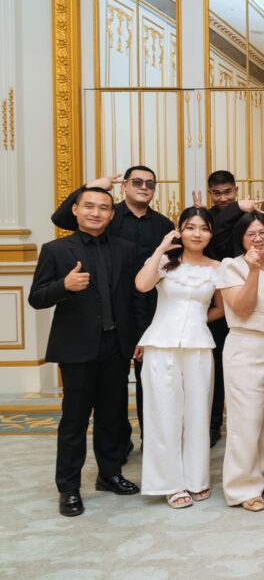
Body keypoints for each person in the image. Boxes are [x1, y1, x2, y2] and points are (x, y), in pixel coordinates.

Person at [30, 187, 144, 517]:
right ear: (76, 210)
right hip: (76, 348)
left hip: (116, 346)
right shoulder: (55, 250)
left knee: (112, 417)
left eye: (104, 207)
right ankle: (68, 488)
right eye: (89, 206)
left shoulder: (126, 249)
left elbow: (135, 298)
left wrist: (139, 338)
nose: (96, 212)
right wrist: (63, 286)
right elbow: (36, 297)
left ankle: (109, 474)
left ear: (112, 214)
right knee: (74, 421)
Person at [50, 166, 175, 458]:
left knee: (149, 382)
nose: (143, 187)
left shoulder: (164, 223)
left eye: (150, 183)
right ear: (125, 186)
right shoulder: (107, 213)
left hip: (151, 309)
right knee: (112, 396)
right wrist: (91, 186)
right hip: (107, 309)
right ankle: (118, 445)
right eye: (137, 181)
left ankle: (151, 442)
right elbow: (62, 218)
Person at [135, 207, 222, 509]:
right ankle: (169, 484)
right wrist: (161, 248)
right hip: (161, 344)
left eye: (204, 228)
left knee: (198, 412)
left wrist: (195, 321)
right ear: (179, 231)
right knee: (163, 413)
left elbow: (221, 308)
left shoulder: (218, 268)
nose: (197, 234)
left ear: (211, 234)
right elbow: (142, 285)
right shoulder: (163, 262)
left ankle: (197, 479)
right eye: (190, 227)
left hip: (199, 346)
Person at [217, 212, 264, 512]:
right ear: (241, 238)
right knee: (246, 419)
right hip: (245, 346)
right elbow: (242, 308)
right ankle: (242, 487)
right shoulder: (230, 266)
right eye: (251, 234)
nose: (258, 239)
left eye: (263, 232)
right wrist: (254, 270)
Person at [202, 170, 264, 448]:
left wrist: (241, 210)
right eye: (216, 193)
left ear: (236, 190)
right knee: (215, 368)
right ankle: (213, 424)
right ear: (210, 193)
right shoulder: (207, 217)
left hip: (252, 291)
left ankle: (257, 429)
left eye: (228, 192)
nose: (223, 198)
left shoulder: (249, 217)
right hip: (218, 295)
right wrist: (237, 207)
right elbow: (212, 234)